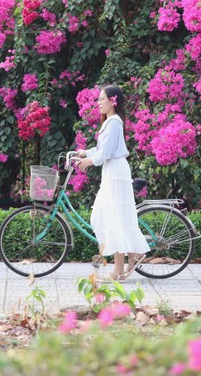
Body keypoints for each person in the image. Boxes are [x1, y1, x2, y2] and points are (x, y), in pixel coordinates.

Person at [77, 85, 150, 281]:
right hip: (113, 171)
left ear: (113, 101)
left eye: (102, 99)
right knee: (105, 217)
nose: (98, 103)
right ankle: (133, 254)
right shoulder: (111, 122)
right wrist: (87, 153)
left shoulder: (114, 122)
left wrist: (90, 160)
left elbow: (106, 153)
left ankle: (119, 271)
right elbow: (104, 148)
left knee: (113, 218)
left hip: (115, 172)